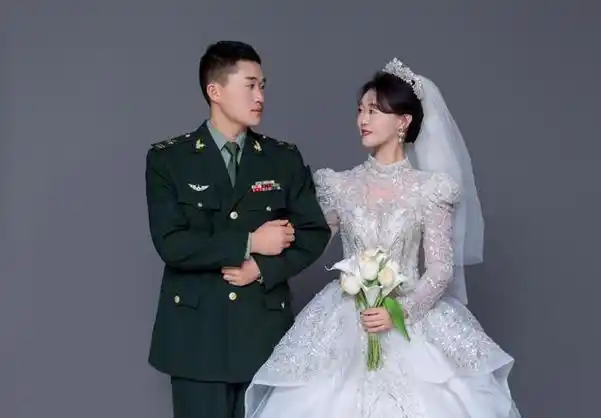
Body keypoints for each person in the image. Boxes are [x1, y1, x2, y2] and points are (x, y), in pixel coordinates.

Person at [244, 58, 521, 417]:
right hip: (345, 316)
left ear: (403, 121)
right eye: (360, 110)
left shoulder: (431, 189)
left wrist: (400, 312)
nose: (362, 119)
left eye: (374, 111)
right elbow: (311, 243)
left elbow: (440, 269)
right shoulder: (339, 185)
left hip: (408, 315)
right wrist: (254, 251)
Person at [144, 40, 331, 418]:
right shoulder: (169, 159)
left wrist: (263, 267)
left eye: (263, 86)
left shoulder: (282, 159)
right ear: (215, 91)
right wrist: (250, 242)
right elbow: (172, 243)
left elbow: (314, 232)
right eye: (250, 85)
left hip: (262, 332)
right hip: (196, 338)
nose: (260, 96)